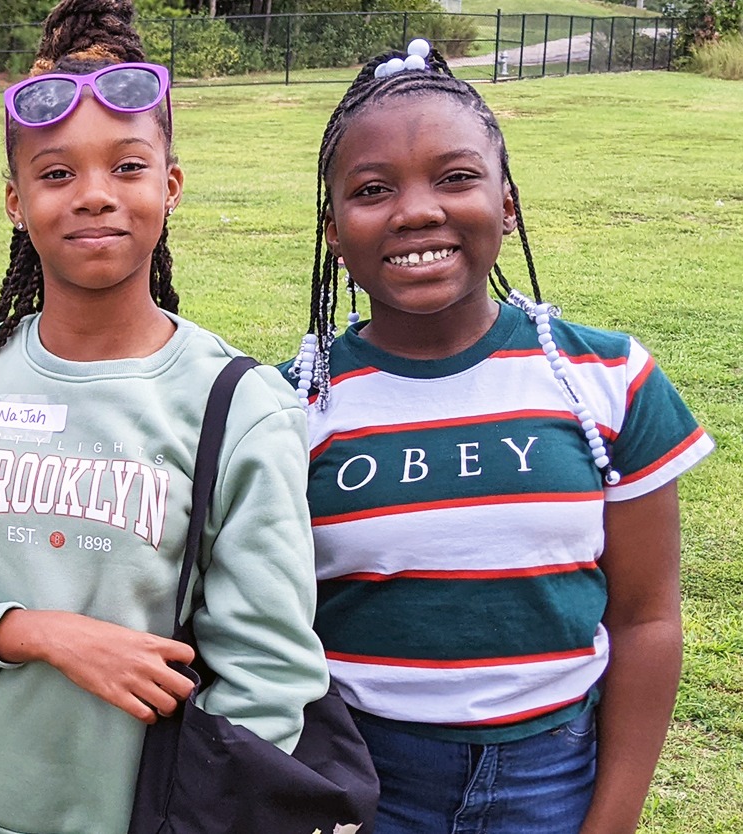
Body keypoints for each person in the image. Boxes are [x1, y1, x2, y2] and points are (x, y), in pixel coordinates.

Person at [0, 1, 330, 831]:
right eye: (58, 173)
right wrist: (39, 632)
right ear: (15, 200)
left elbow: (269, 676)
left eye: (129, 167)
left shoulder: (239, 407)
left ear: (170, 186)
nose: (95, 197)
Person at [284, 41, 714, 834]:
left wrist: (611, 819)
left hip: (553, 780)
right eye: (373, 190)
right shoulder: (288, 409)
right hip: (358, 781)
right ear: (334, 231)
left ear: (508, 203)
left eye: (455, 177)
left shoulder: (609, 380)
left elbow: (647, 618)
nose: (417, 210)